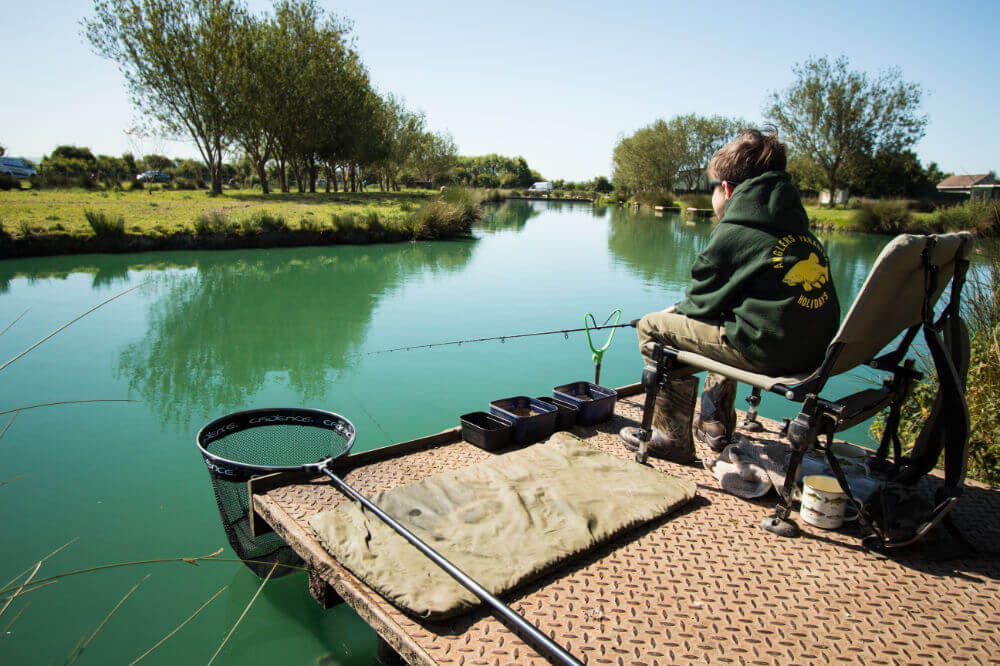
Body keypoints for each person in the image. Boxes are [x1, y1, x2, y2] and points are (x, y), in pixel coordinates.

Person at [620, 129, 840, 462]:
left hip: (770, 353)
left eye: (713, 188)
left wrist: (675, 313)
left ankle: (671, 437)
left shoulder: (737, 231)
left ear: (726, 189)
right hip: (815, 354)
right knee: (725, 322)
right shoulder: (797, 228)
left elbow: (699, 306)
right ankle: (714, 424)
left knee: (652, 327)